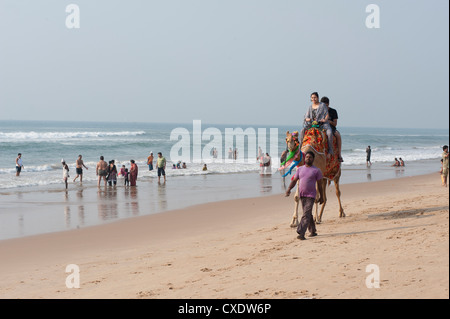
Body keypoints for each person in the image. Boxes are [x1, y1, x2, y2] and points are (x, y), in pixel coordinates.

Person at [285, 151, 324, 240]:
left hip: (311, 195)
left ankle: (301, 232)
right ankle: (313, 231)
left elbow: (320, 185)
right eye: (306, 157)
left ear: (313, 159)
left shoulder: (316, 170)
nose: (308, 158)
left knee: (306, 214)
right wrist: (288, 189)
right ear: (304, 158)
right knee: (308, 214)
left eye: (310, 157)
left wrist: (322, 197)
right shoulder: (300, 169)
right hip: (302, 195)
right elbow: (294, 181)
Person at [299, 92, 334, 158]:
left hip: (322, 124)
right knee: (302, 131)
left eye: (315, 97)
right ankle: (300, 148)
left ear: (318, 98)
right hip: (312, 124)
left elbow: (326, 115)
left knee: (329, 133)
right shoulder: (310, 107)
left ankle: (330, 151)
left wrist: (324, 120)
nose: (313, 99)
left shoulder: (322, 105)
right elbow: (306, 117)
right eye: (312, 98)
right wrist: (308, 119)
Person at [321, 97, 343, 162]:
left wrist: (328, 121)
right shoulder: (319, 111)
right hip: (321, 127)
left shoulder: (333, 111)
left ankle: (339, 155)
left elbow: (335, 123)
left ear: (328, 104)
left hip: (331, 127)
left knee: (338, 136)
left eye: (326, 105)